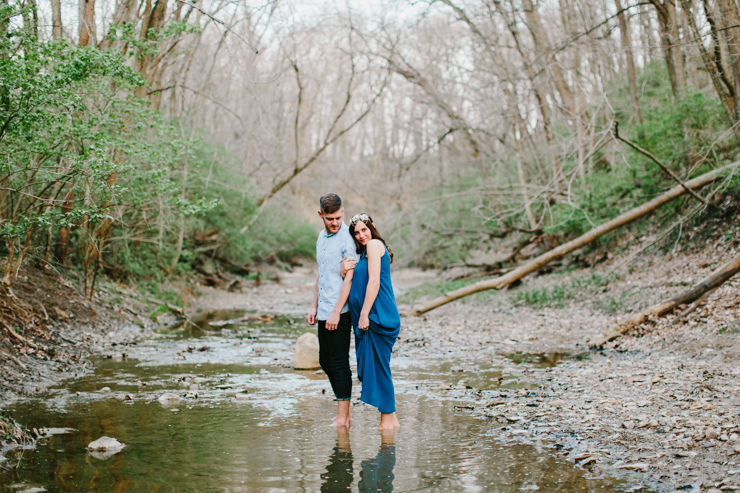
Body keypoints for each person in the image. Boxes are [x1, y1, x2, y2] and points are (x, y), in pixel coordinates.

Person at [343, 212, 401, 430]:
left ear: (372, 227)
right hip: (369, 318)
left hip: (378, 316)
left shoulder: (375, 245)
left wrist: (365, 313)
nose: (360, 235)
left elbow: (375, 282)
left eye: (364, 230)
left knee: (380, 367)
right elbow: (358, 279)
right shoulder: (364, 255)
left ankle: (387, 420)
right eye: (356, 233)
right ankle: (391, 419)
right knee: (378, 366)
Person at [307, 193, 359, 428]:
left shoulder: (348, 237)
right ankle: (343, 410)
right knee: (324, 361)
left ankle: (343, 417)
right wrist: (314, 305)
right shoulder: (320, 237)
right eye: (330, 218)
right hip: (324, 309)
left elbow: (350, 277)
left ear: (343, 212)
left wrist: (338, 311)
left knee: (338, 362)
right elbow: (322, 272)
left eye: (338, 217)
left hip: (341, 310)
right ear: (321, 216)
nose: (335, 222)